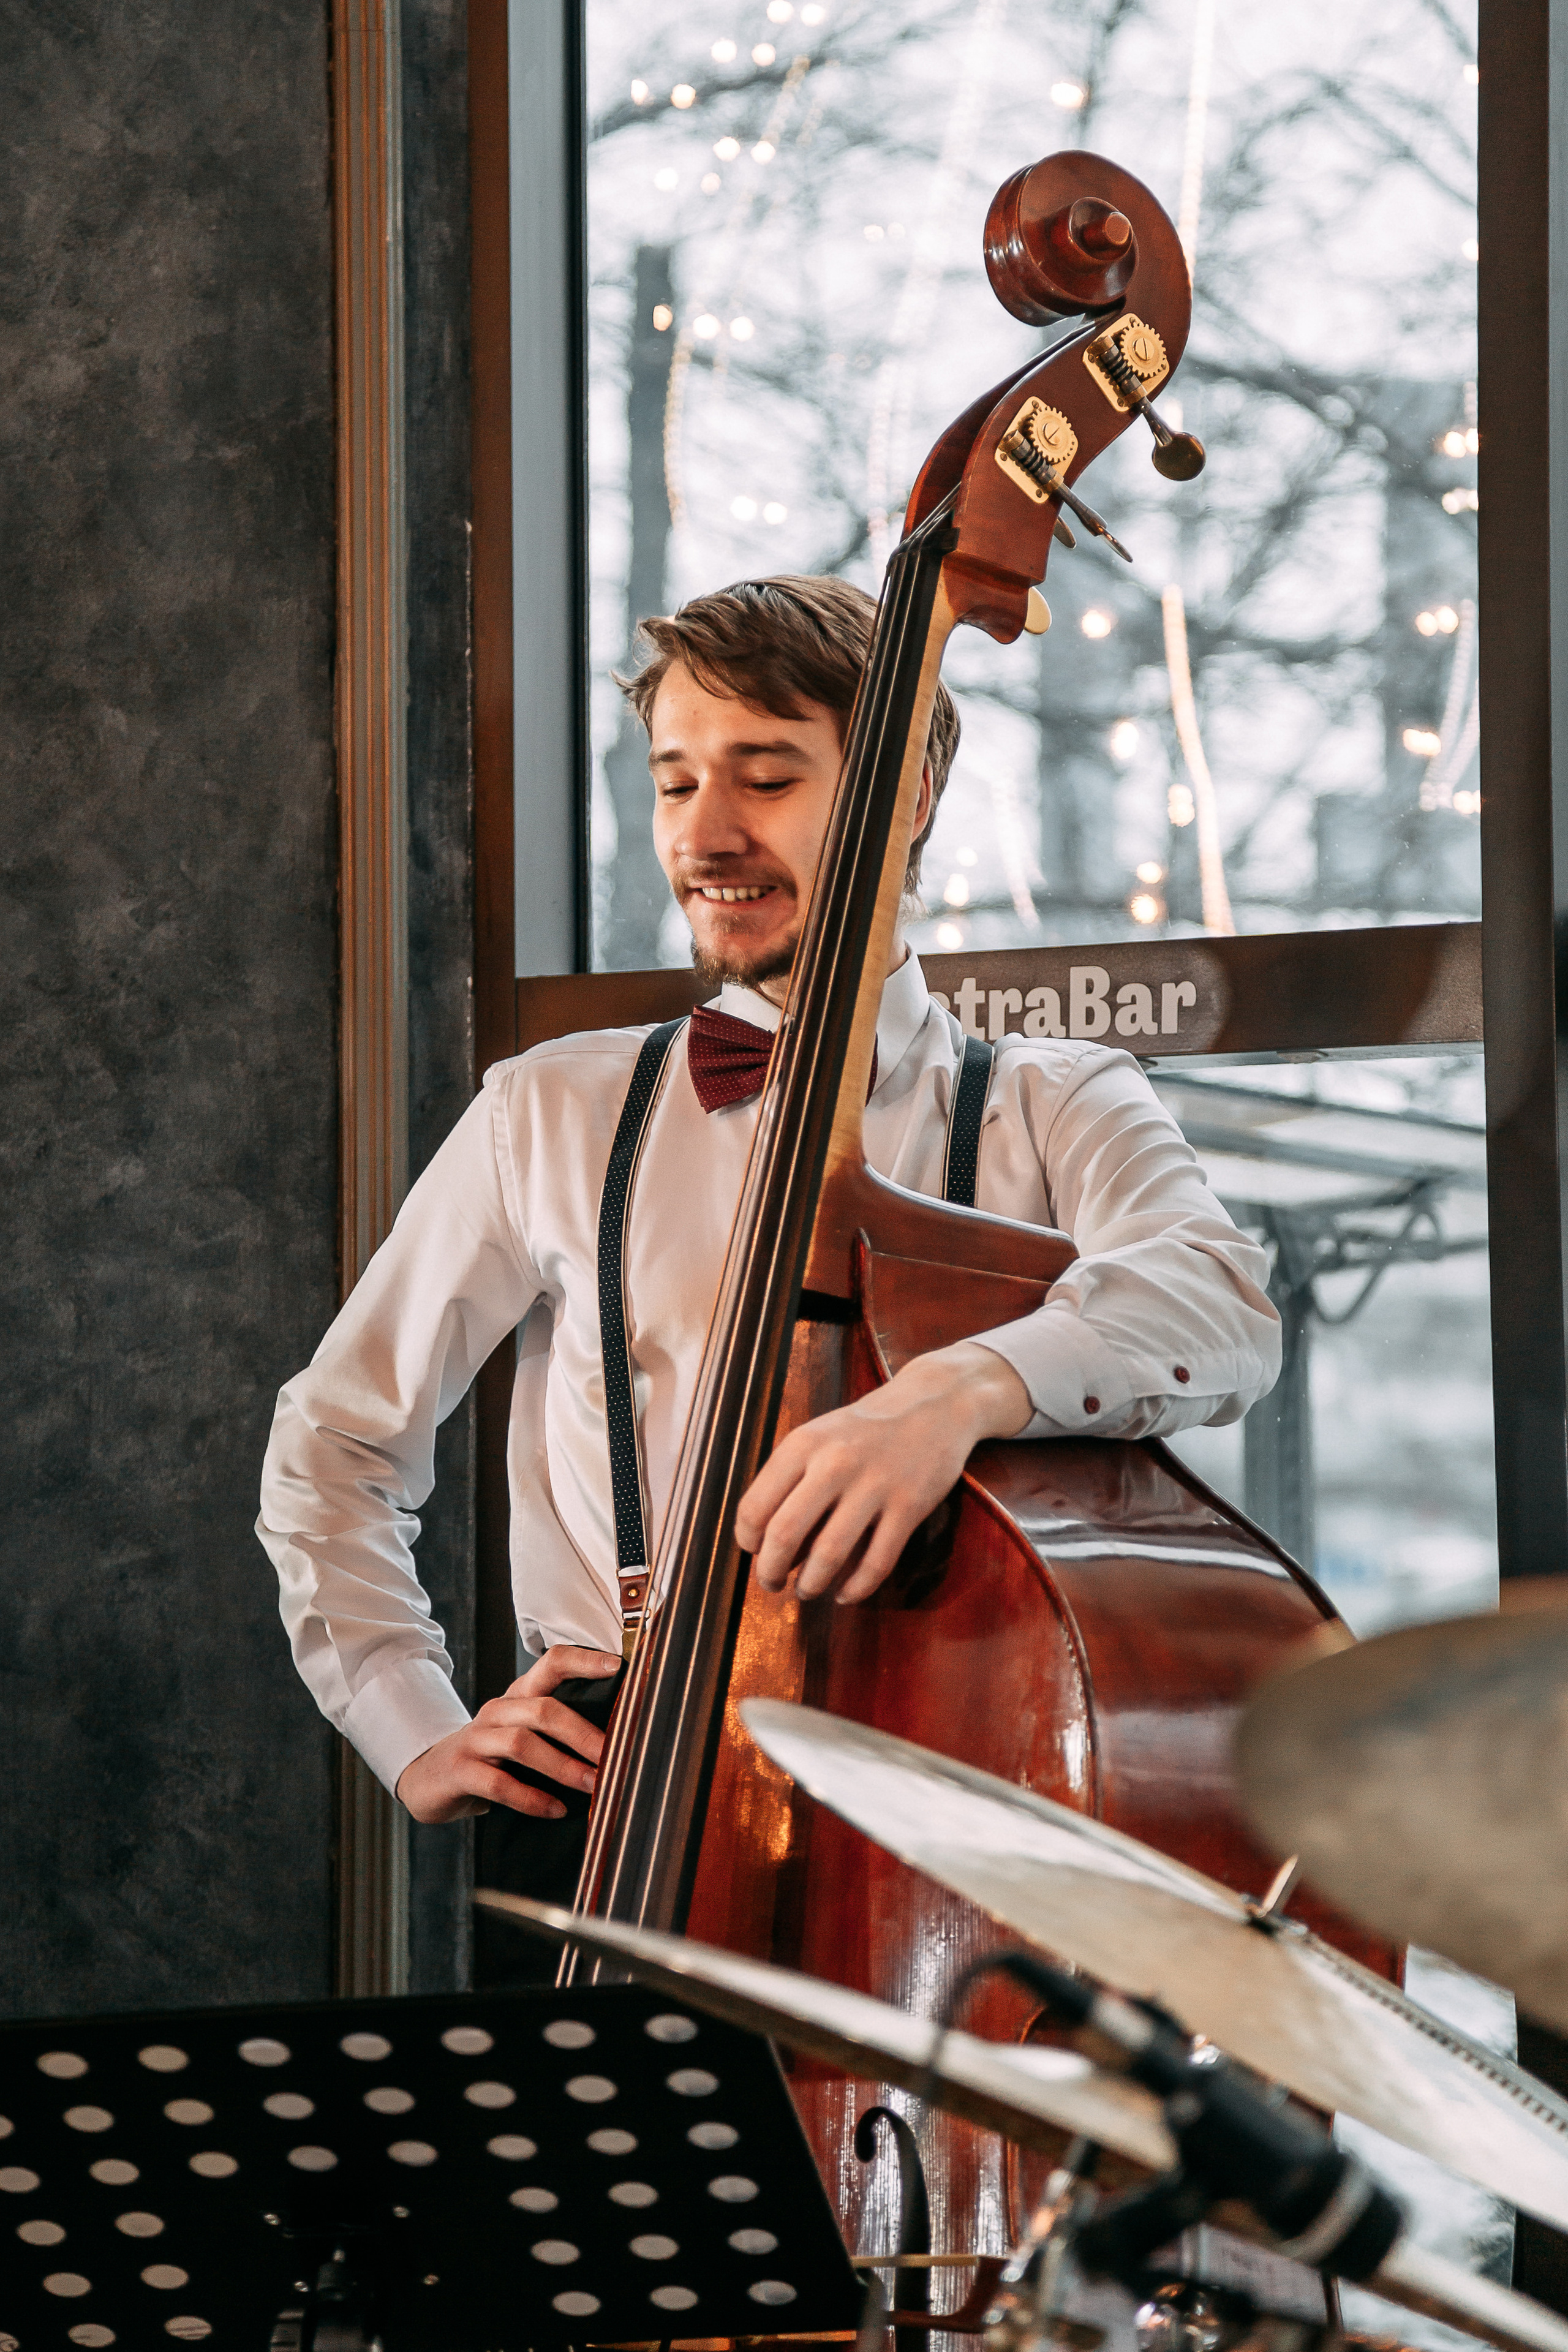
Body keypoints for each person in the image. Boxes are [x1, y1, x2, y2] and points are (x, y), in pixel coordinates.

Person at [258, 575, 1280, 1930]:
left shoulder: (1055, 1101)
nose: (709, 835)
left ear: (904, 797)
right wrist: (408, 1719)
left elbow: (1214, 1302)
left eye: (766, 777)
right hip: (605, 1787)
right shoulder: (550, 1108)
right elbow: (334, 1438)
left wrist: (956, 1392)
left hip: (945, 1765)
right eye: (676, 783)